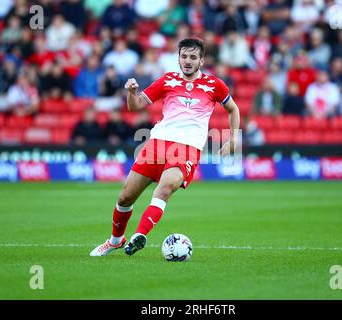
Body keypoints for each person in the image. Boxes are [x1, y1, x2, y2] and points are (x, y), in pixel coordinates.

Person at [90, 38, 240, 257]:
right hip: (157, 143)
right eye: (184, 56)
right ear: (178, 58)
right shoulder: (167, 80)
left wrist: (234, 139)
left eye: (193, 57)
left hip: (188, 148)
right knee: (125, 198)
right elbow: (134, 107)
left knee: (165, 187)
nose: (188, 61)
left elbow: (233, 109)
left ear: (201, 60)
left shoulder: (215, 85)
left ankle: (139, 235)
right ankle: (115, 240)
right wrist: (132, 92)